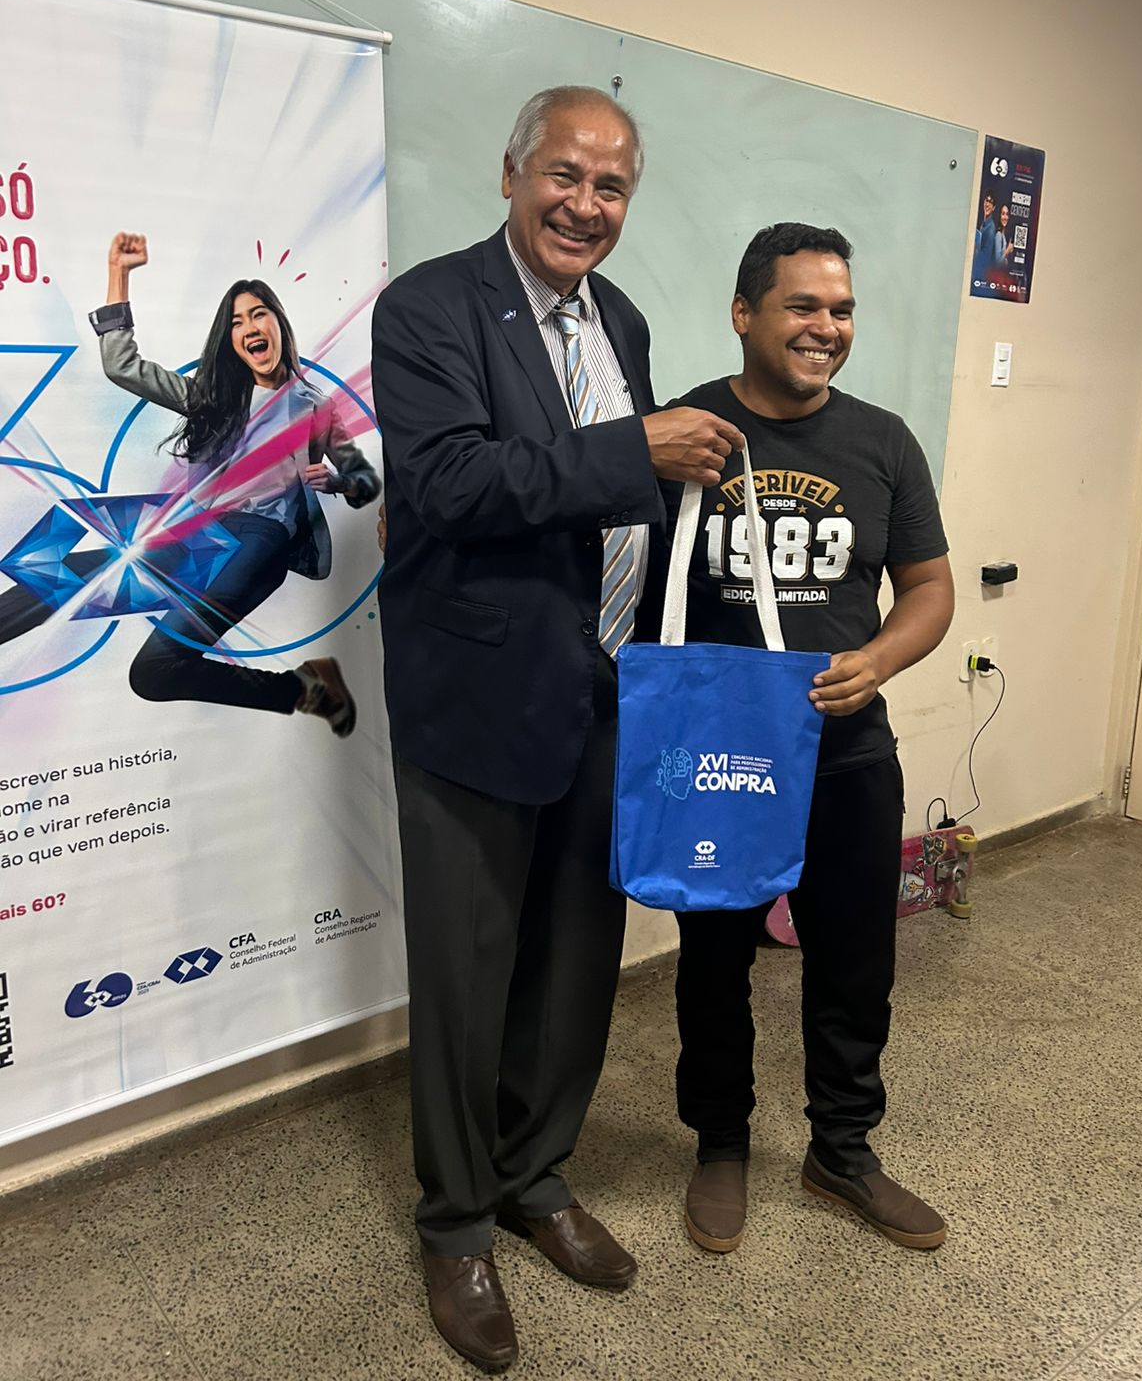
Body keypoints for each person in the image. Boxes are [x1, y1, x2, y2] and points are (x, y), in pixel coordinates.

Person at [372, 86, 741, 1372]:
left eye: (612, 186)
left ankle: (536, 1178)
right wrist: (637, 447)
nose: (587, 204)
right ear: (513, 172)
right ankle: (457, 1223)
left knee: (578, 961)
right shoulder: (430, 307)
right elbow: (449, 483)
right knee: (469, 977)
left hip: (606, 689)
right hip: (476, 699)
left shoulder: (618, 315)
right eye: (566, 175)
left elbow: (614, 493)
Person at [660, 222, 955, 1260]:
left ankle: (843, 1149)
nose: (827, 327)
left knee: (855, 960)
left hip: (848, 752)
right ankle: (721, 1143)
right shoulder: (686, 434)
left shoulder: (884, 442)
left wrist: (878, 660)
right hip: (721, 757)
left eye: (841, 309)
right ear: (745, 314)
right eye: (803, 306)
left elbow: (929, 588)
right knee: (713, 960)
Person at [0, 233, 379, 730]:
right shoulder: (214, 398)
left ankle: (303, 689)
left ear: (278, 323)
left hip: (262, 542)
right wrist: (119, 274)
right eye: (237, 322)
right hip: (201, 535)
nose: (250, 327)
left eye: (259, 314)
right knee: (70, 582)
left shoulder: (316, 406)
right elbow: (123, 367)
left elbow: (364, 480)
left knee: (152, 669)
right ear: (232, 342)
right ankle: (309, 687)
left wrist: (338, 480)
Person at [972, 191, 996, 282]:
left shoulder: (990, 229)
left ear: (993, 208)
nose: (987, 205)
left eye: (990, 202)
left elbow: (985, 258)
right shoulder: (983, 224)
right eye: (986, 201)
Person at [993, 201, 1015, 266]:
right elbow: (997, 262)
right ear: (999, 215)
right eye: (1003, 214)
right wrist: (1007, 250)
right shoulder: (998, 235)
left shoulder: (1003, 234)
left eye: (1007, 214)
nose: (1005, 217)